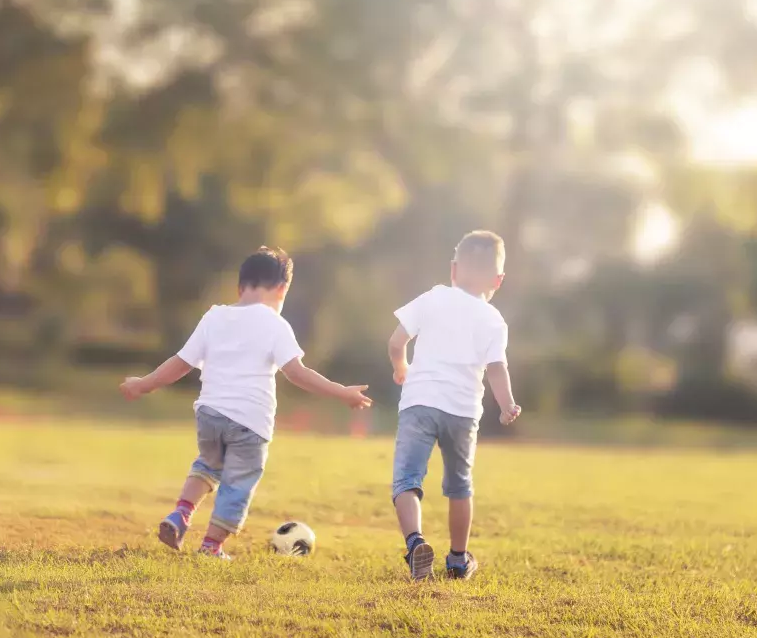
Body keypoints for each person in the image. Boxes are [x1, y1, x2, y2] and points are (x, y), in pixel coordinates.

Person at [120, 247, 372, 560]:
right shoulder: (275, 324)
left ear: (241, 287)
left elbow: (180, 362)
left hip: (209, 415)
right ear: (282, 289)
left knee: (207, 466)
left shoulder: (214, 316)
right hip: (250, 423)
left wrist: (144, 384)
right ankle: (211, 547)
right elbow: (297, 373)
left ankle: (180, 514)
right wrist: (341, 392)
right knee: (237, 483)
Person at [387, 230, 521, 580]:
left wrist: (401, 366)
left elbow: (396, 341)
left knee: (407, 480)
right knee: (460, 486)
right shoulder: (494, 320)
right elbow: (497, 368)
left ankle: (416, 543)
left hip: (420, 402)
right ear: (498, 280)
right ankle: (458, 560)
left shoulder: (433, 298)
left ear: (453, 269)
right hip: (462, 412)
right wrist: (507, 405)